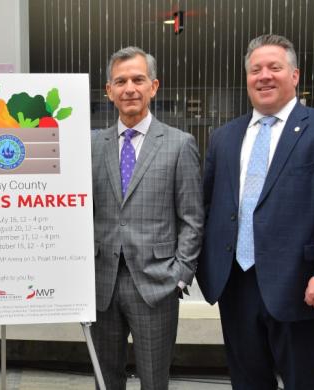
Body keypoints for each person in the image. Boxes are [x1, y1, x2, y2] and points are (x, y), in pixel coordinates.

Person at [197, 34, 314, 389]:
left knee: (301, 382)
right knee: (246, 381)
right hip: (236, 283)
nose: (264, 76)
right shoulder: (224, 137)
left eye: (274, 67)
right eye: (255, 69)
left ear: (294, 75)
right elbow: (210, 205)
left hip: (302, 284)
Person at [91, 46, 203, 390]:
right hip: (100, 284)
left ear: (154, 86)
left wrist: (180, 275)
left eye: (138, 79)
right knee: (104, 379)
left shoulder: (179, 144)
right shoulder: (91, 145)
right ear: (109, 91)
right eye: (120, 81)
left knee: (155, 380)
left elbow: (192, 219)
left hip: (156, 284)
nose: (130, 88)